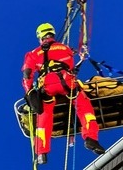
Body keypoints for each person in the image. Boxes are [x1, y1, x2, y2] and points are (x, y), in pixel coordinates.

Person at [21, 23, 105, 164]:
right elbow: (71, 66)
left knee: (44, 117)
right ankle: (91, 138)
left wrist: (29, 92)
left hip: (47, 86)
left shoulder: (33, 54)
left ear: (40, 37)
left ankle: (41, 152)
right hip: (67, 83)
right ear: (52, 34)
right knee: (85, 109)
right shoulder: (65, 48)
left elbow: (27, 73)